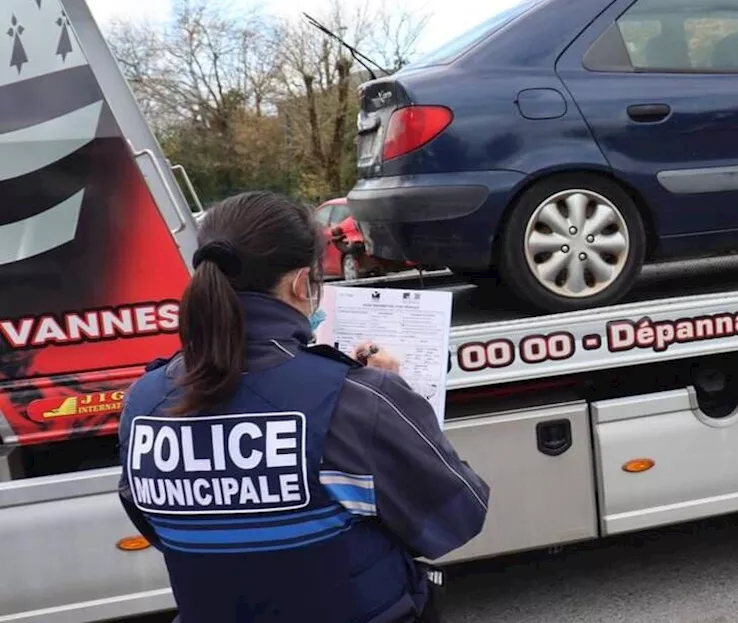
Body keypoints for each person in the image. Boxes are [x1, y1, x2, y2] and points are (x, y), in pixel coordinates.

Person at [115, 191, 489, 623]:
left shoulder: (142, 402)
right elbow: (457, 515)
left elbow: (158, 526)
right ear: (299, 283)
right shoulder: (358, 398)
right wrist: (393, 393)